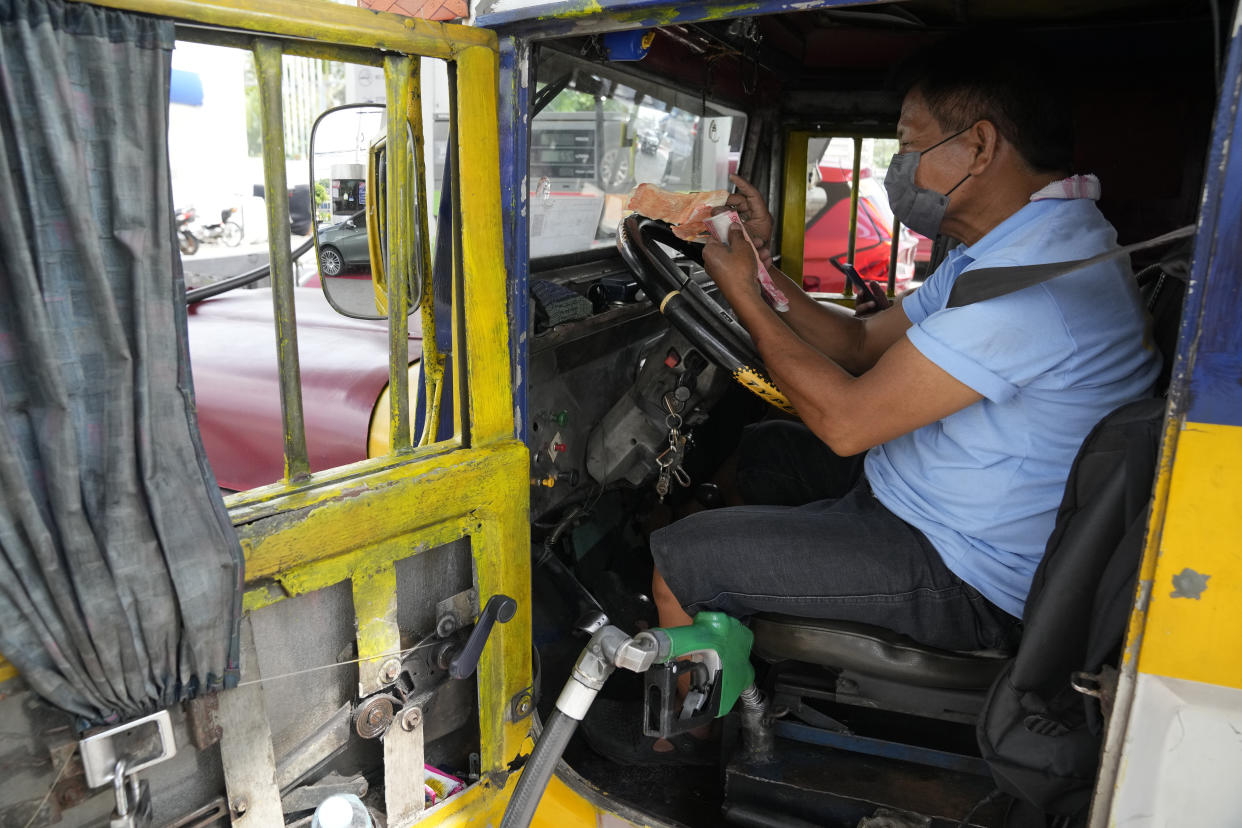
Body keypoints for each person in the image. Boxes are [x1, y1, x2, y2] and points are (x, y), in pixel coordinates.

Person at [591, 44, 1161, 763]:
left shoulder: (1035, 291)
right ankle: (734, 634)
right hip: (931, 500)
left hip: (967, 571)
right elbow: (860, 343)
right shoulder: (1012, 251)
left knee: (679, 560)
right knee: (765, 449)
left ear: (979, 147)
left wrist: (739, 290)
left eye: (913, 146)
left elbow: (846, 422)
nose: (903, 169)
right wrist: (761, 268)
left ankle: (685, 754)